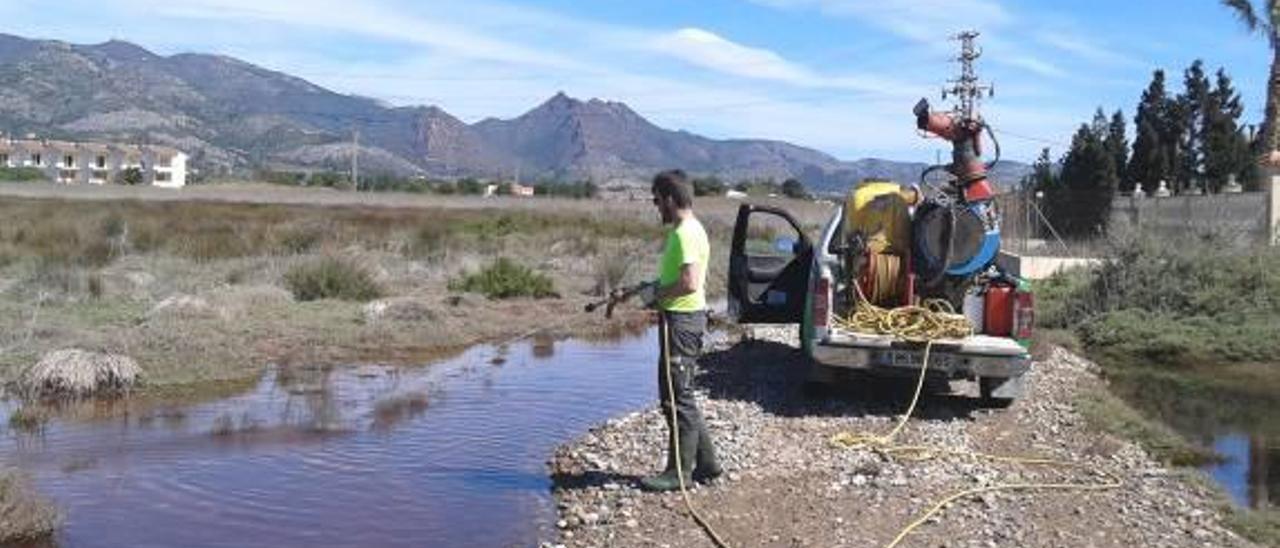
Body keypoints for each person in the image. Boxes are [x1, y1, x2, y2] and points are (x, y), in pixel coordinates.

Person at [636, 169, 722, 492]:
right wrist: (652, 289)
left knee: (675, 399)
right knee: (682, 394)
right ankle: (708, 463)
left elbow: (689, 283)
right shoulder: (690, 229)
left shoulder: (685, 233)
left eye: (657, 200)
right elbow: (680, 278)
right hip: (683, 320)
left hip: (681, 323)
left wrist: (657, 295)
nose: (656, 206)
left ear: (671, 199)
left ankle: (678, 473)